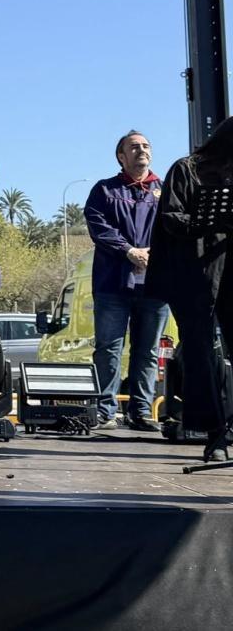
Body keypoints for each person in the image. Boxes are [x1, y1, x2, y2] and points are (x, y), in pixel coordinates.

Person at [146, 117, 233, 462]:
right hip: (192, 275)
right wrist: (210, 222)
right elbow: (172, 218)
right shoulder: (187, 169)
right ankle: (214, 434)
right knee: (199, 352)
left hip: (228, 273)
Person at [84, 131, 169, 432]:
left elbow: (174, 226)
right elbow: (98, 226)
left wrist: (153, 254)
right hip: (112, 285)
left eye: (146, 146)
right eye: (134, 147)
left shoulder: (165, 190)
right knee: (108, 349)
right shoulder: (104, 191)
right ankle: (105, 412)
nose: (141, 150)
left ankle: (141, 411)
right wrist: (129, 251)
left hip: (155, 286)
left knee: (147, 350)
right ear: (121, 156)